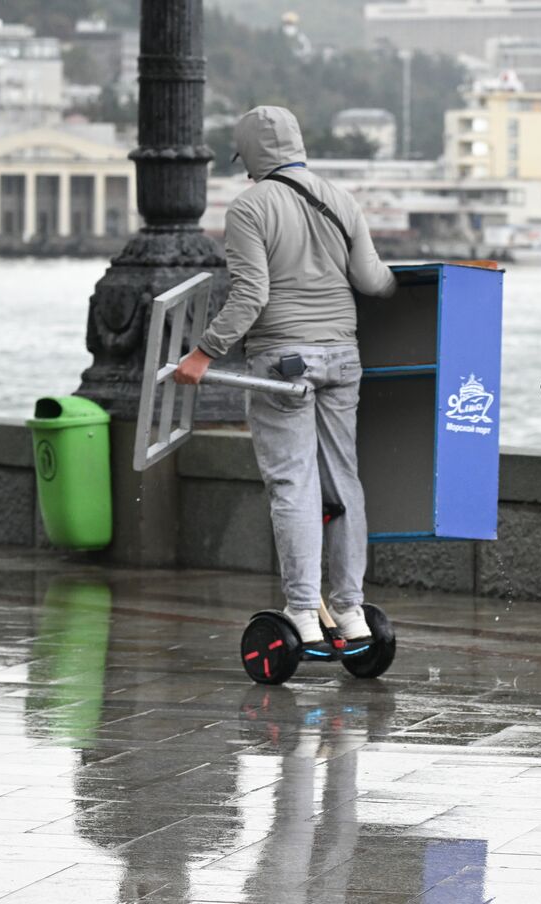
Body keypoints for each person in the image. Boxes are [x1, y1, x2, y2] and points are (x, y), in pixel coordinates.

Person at [174, 105, 398, 651]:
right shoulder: (341, 200)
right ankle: (350, 612)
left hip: (282, 364)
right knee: (344, 482)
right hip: (343, 359)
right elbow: (372, 280)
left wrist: (203, 354)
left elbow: (251, 296)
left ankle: (301, 611)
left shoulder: (250, 207)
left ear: (250, 156)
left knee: (293, 486)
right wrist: (400, 284)